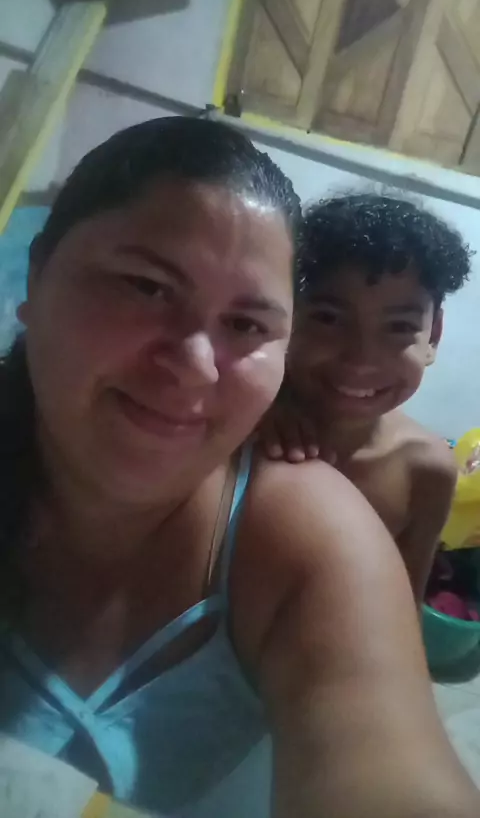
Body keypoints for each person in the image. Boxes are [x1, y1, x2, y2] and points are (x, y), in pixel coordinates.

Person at [0, 120, 478, 818]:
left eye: (248, 324)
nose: (195, 367)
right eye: (146, 287)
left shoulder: (317, 528)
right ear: (37, 273)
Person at [262, 193, 471, 604]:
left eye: (399, 327)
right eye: (328, 318)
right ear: (286, 313)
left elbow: (403, 607)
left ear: (433, 336)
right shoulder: (236, 419)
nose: (361, 358)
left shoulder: (425, 471)